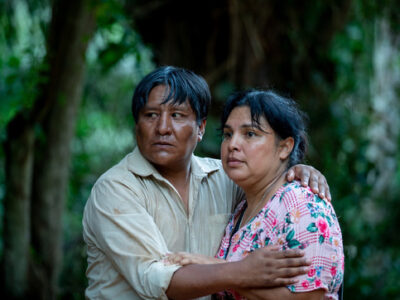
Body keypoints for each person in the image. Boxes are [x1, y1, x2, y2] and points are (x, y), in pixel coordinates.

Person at [82, 66, 332, 299]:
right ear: (137, 126)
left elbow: (267, 183)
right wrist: (242, 271)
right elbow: (154, 279)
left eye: (177, 115)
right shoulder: (115, 189)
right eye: (151, 115)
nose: (163, 128)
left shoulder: (226, 178)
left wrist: (295, 169)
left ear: (201, 127)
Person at [167, 90, 344, 299]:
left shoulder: (303, 206)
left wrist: (217, 268)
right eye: (227, 134)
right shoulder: (242, 205)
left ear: (285, 147)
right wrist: (232, 273)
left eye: (250, 134)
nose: (232, 144)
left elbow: (309, 297)